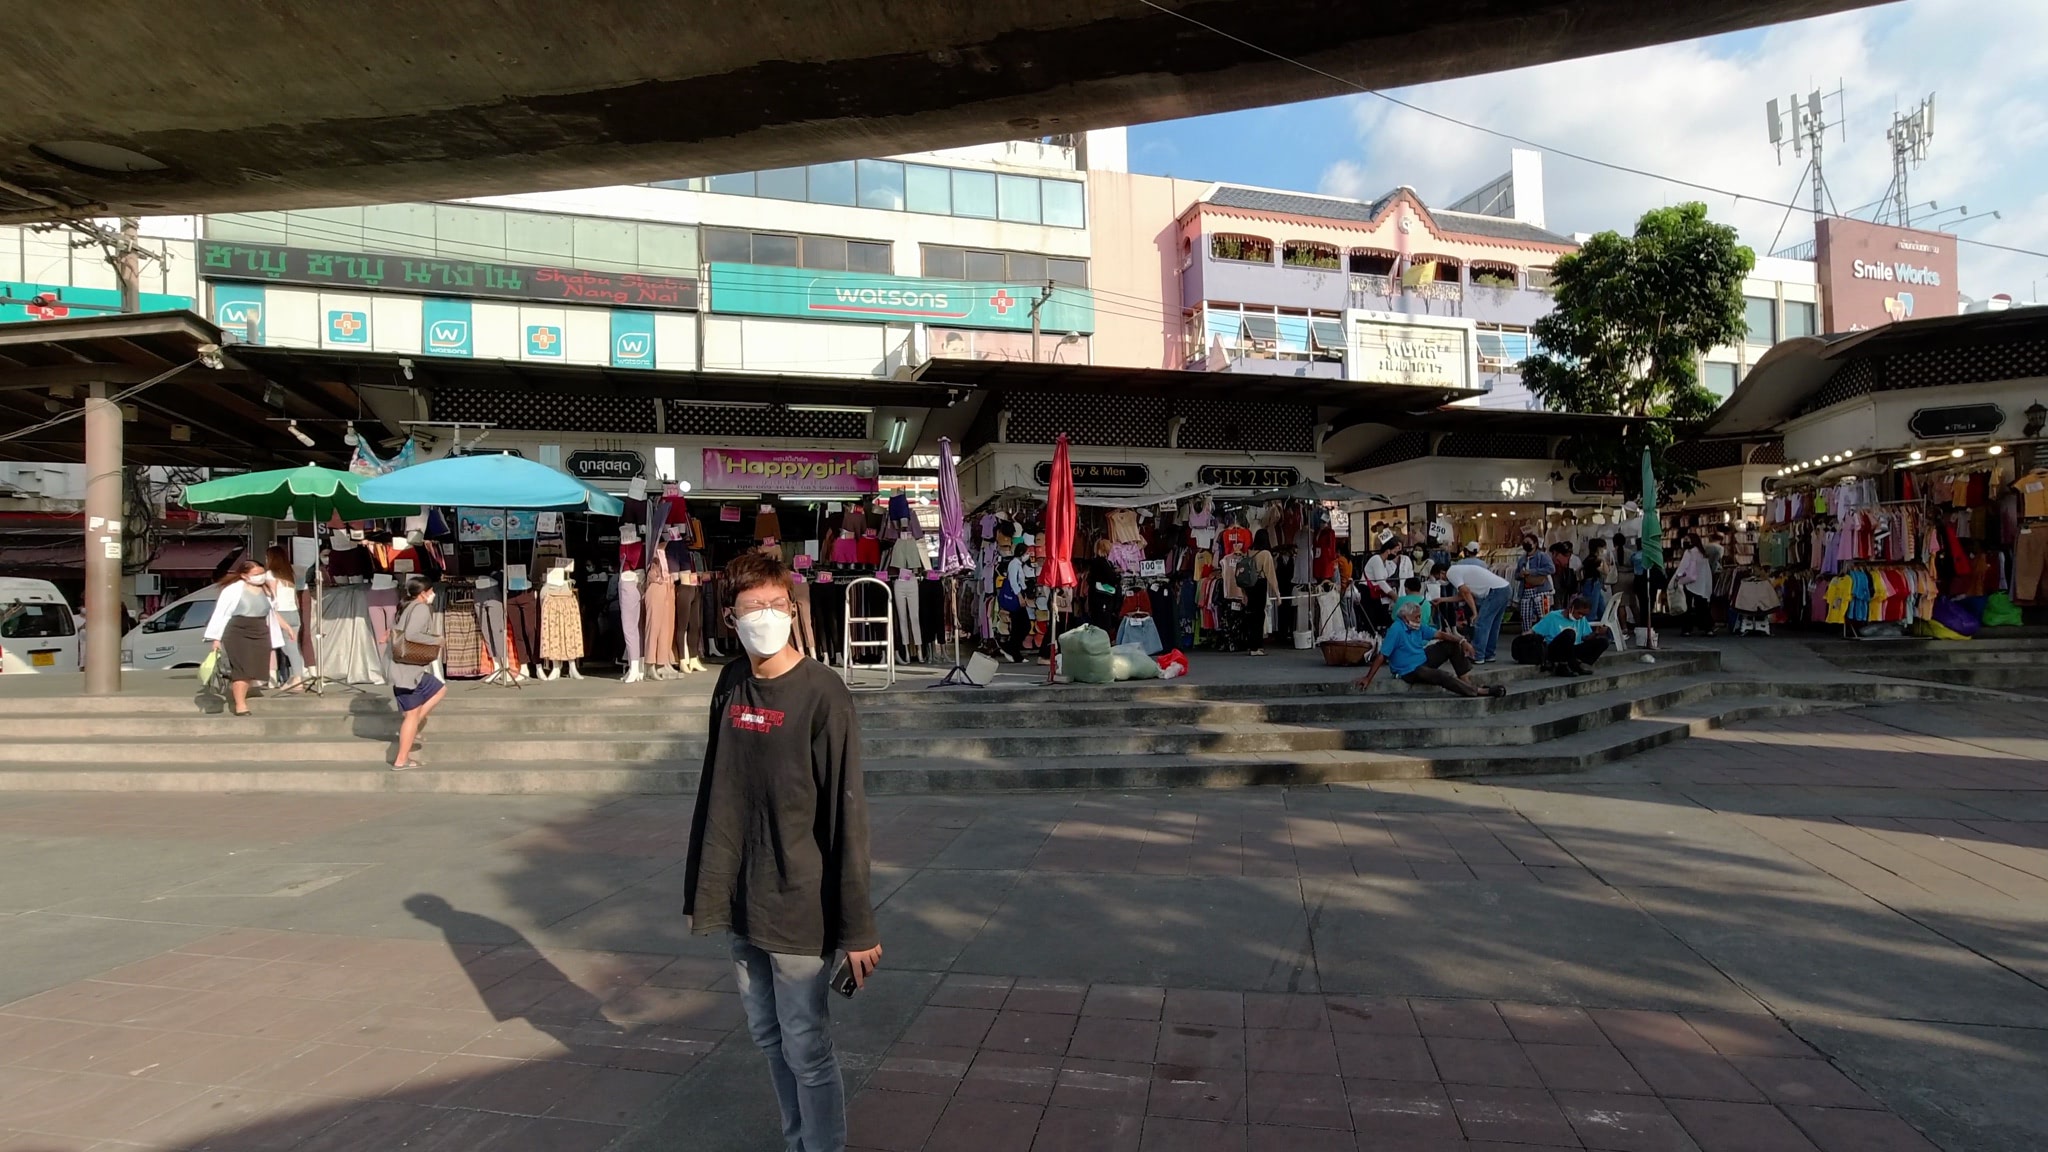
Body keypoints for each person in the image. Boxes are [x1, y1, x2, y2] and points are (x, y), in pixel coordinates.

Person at [686, 551, 879, 1152]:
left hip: (800, 900)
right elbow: (717, 790)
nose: (766, 618)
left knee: (806, 1045)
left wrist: (859, 926)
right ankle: (797, 1138)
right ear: (730, 620)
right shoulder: (730, 682)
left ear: (794, 612)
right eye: (753, 609)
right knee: (767, 1036)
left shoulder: (825, 694)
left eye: (777, 606)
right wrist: (706, 888)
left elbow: (846, 813)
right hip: (743, 896)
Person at [203, 559, 287, 717]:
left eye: (262, 573)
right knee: (242, 668)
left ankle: (240, 689)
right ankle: (241, 704)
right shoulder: (233, 590)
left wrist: (287, 628)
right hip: (237, 630)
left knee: (256, 666)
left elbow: (272, 612)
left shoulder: (266, 589)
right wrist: (215, 639)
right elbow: (221, 613)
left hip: (260, 629)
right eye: (256, 574)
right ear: (244, 576)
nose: (260, 576)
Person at [1366, 601, 1503, 698]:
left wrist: (1462, 641)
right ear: (1405, 617)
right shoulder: (1396, 629)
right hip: (1409, 670)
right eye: (1417, 617)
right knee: (1442, 675)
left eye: (1419, 617)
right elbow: (1382, 655)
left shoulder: (1418, 626)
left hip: (1422, 659)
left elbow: (1440, 634)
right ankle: (1478, 691)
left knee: (1451, 645)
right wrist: (1368, 678)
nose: (1419, 620)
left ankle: (1466, 682)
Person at [388, 575, 446, 769]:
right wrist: (436, 640)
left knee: (438, 690)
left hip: (405, 669)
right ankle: (401, 759)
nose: (433, 595)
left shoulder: (409, 606)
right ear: (423, 593)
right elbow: (412, 634)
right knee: (412, 715)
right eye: (430, 591)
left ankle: (412, 731)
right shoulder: (421, 608)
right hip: (408, 671)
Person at [1513, 595, 1612, 676]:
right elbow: (1534, 631)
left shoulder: (1581, 620)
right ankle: (1563, 664)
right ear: (1571, 608)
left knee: (1603, 641)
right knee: (1569, 633)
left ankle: (1578, 663)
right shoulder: (1553, 616)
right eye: (1579, 613)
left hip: (1573, 650)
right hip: (1555, 649)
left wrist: (1596, 633)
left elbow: (1585, 637)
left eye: (1584, 615)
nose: (1580, 617)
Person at [1446, 542, 1512, 663]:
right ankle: (1489, 653)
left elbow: (1465, 593)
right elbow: (1462, 595)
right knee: (1493, 625)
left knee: (1482, 623)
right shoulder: (1476, 565)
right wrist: (1442, 600)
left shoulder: (1451, 572)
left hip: (1495, 591)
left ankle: (1477, 654)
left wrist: (1475, 613)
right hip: (1505, 587)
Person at [264, 544, 307, 693]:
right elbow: (295, 597)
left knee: (287, 647)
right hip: (293, 612)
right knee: (293, 646)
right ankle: (297, 676)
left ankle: (297, 678)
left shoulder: (270, 574)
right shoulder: (290, 574)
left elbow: (272, 596)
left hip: (280, 612)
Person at [1359, 536, 1413, 631]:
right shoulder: (1376, 559)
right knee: (1370, 620)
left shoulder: (1384, 562)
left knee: (1377, 619)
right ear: (1388, 550)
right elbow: (1381, 581)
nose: (1396, 555)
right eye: (1395, 552)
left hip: (1375, 594)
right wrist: (1394, 596)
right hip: (1367, 592)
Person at [1240, 530, 1280, 655]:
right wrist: (1277, 594)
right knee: (1259, 615)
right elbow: (1271, 575)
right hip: (1260, 585)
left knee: (1251, 615)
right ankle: (1256, 647)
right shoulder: (1265, 554)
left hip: (1249, 586)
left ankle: (1251, 644)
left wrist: (1244, 593)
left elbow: (1243, 574)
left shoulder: (1248, 552)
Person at [1672, 535, 1715, 637]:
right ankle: (1708, 628)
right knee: (1703, 606)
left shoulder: (1689, 553)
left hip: (1689, 583)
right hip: (1701, 584)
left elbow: (1683, 567)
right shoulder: (1702, 554)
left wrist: (1676, 578)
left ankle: (1687, 629)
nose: (1685, 542)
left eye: (1687, 540)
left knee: (1687, 607)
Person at [998, 542, 1034, 664]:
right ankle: (1012, 649)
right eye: (1027, 553)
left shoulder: (1018, 564)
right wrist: (1019, 596)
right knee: (1023, 626)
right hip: (1016, 598)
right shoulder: (1014, 564)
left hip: (1019, 596)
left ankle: (1012, 649)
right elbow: (1013, 582)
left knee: (1019, 627)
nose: (1028, 555)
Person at [1512, 534, 1556, 626]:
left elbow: (1551, 569)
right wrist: (1520, 574)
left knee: (1543, 616)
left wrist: (1532, 572)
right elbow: (1516, 575)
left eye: (1528, 542)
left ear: (1535, 544)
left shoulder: (1542, 556)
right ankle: (1527, 636)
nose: (1526, 544)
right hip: (1525, 591)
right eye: (1524, 542)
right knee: (1525, 617)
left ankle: (1543, 637)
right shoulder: (1521, 559)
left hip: (1541, 590)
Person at [1085, 538, 1120, 635]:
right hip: (1102, 599)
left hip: (1100, 598)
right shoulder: (1101, 562)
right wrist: (1117, 575)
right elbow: (1110, 578)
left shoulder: (1100, 562)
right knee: (1103, 625)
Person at [1580, 538, 1609, 624]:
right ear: (1598, 548)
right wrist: (1603, 559)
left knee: (1602, 611)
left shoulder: (1588, 559)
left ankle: (1608, 634)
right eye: (1603, 548)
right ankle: (1587, 634)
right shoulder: (1594, 560)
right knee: (1591, 612)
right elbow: (1606, 571)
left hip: (1593, 585)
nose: (1604, 550)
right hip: (1592, 586)